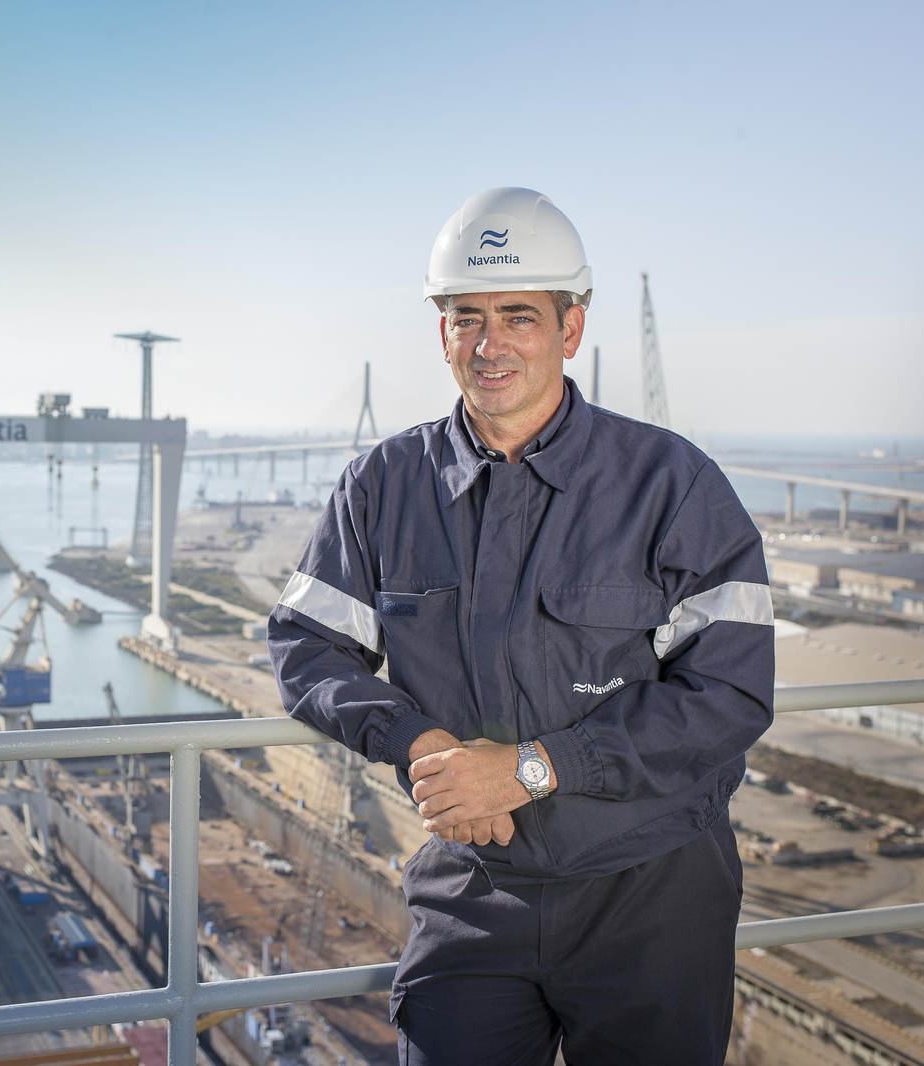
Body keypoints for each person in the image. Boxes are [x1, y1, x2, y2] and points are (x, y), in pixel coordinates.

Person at [267, 187, 774, 1065]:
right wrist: (417, 741)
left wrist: (535, 768)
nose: (489, 345)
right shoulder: (383, 486)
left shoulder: (671, 484)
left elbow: (730, 691)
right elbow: (305, 645)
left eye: (518, 318)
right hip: (472, 890)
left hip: (650, 894)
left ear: (571, 329)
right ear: (442, 333)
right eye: (466, 318)